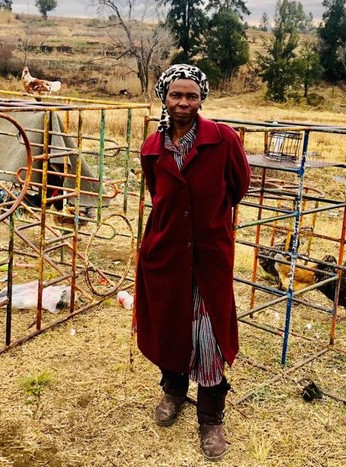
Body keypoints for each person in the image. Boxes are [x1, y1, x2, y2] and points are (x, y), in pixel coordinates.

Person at [135, 64, 250, 460]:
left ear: (202, 99)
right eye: (176, 96)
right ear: (163, 98)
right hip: (165, 250)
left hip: (208, 253)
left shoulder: (224, 140)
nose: (184, 103)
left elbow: (239, 186)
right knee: (171, 324)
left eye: (192, 96)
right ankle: (172, 390)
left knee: (210, 331)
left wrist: (207, 217)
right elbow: (157, 192)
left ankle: (211, 416)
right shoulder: (153, 147)